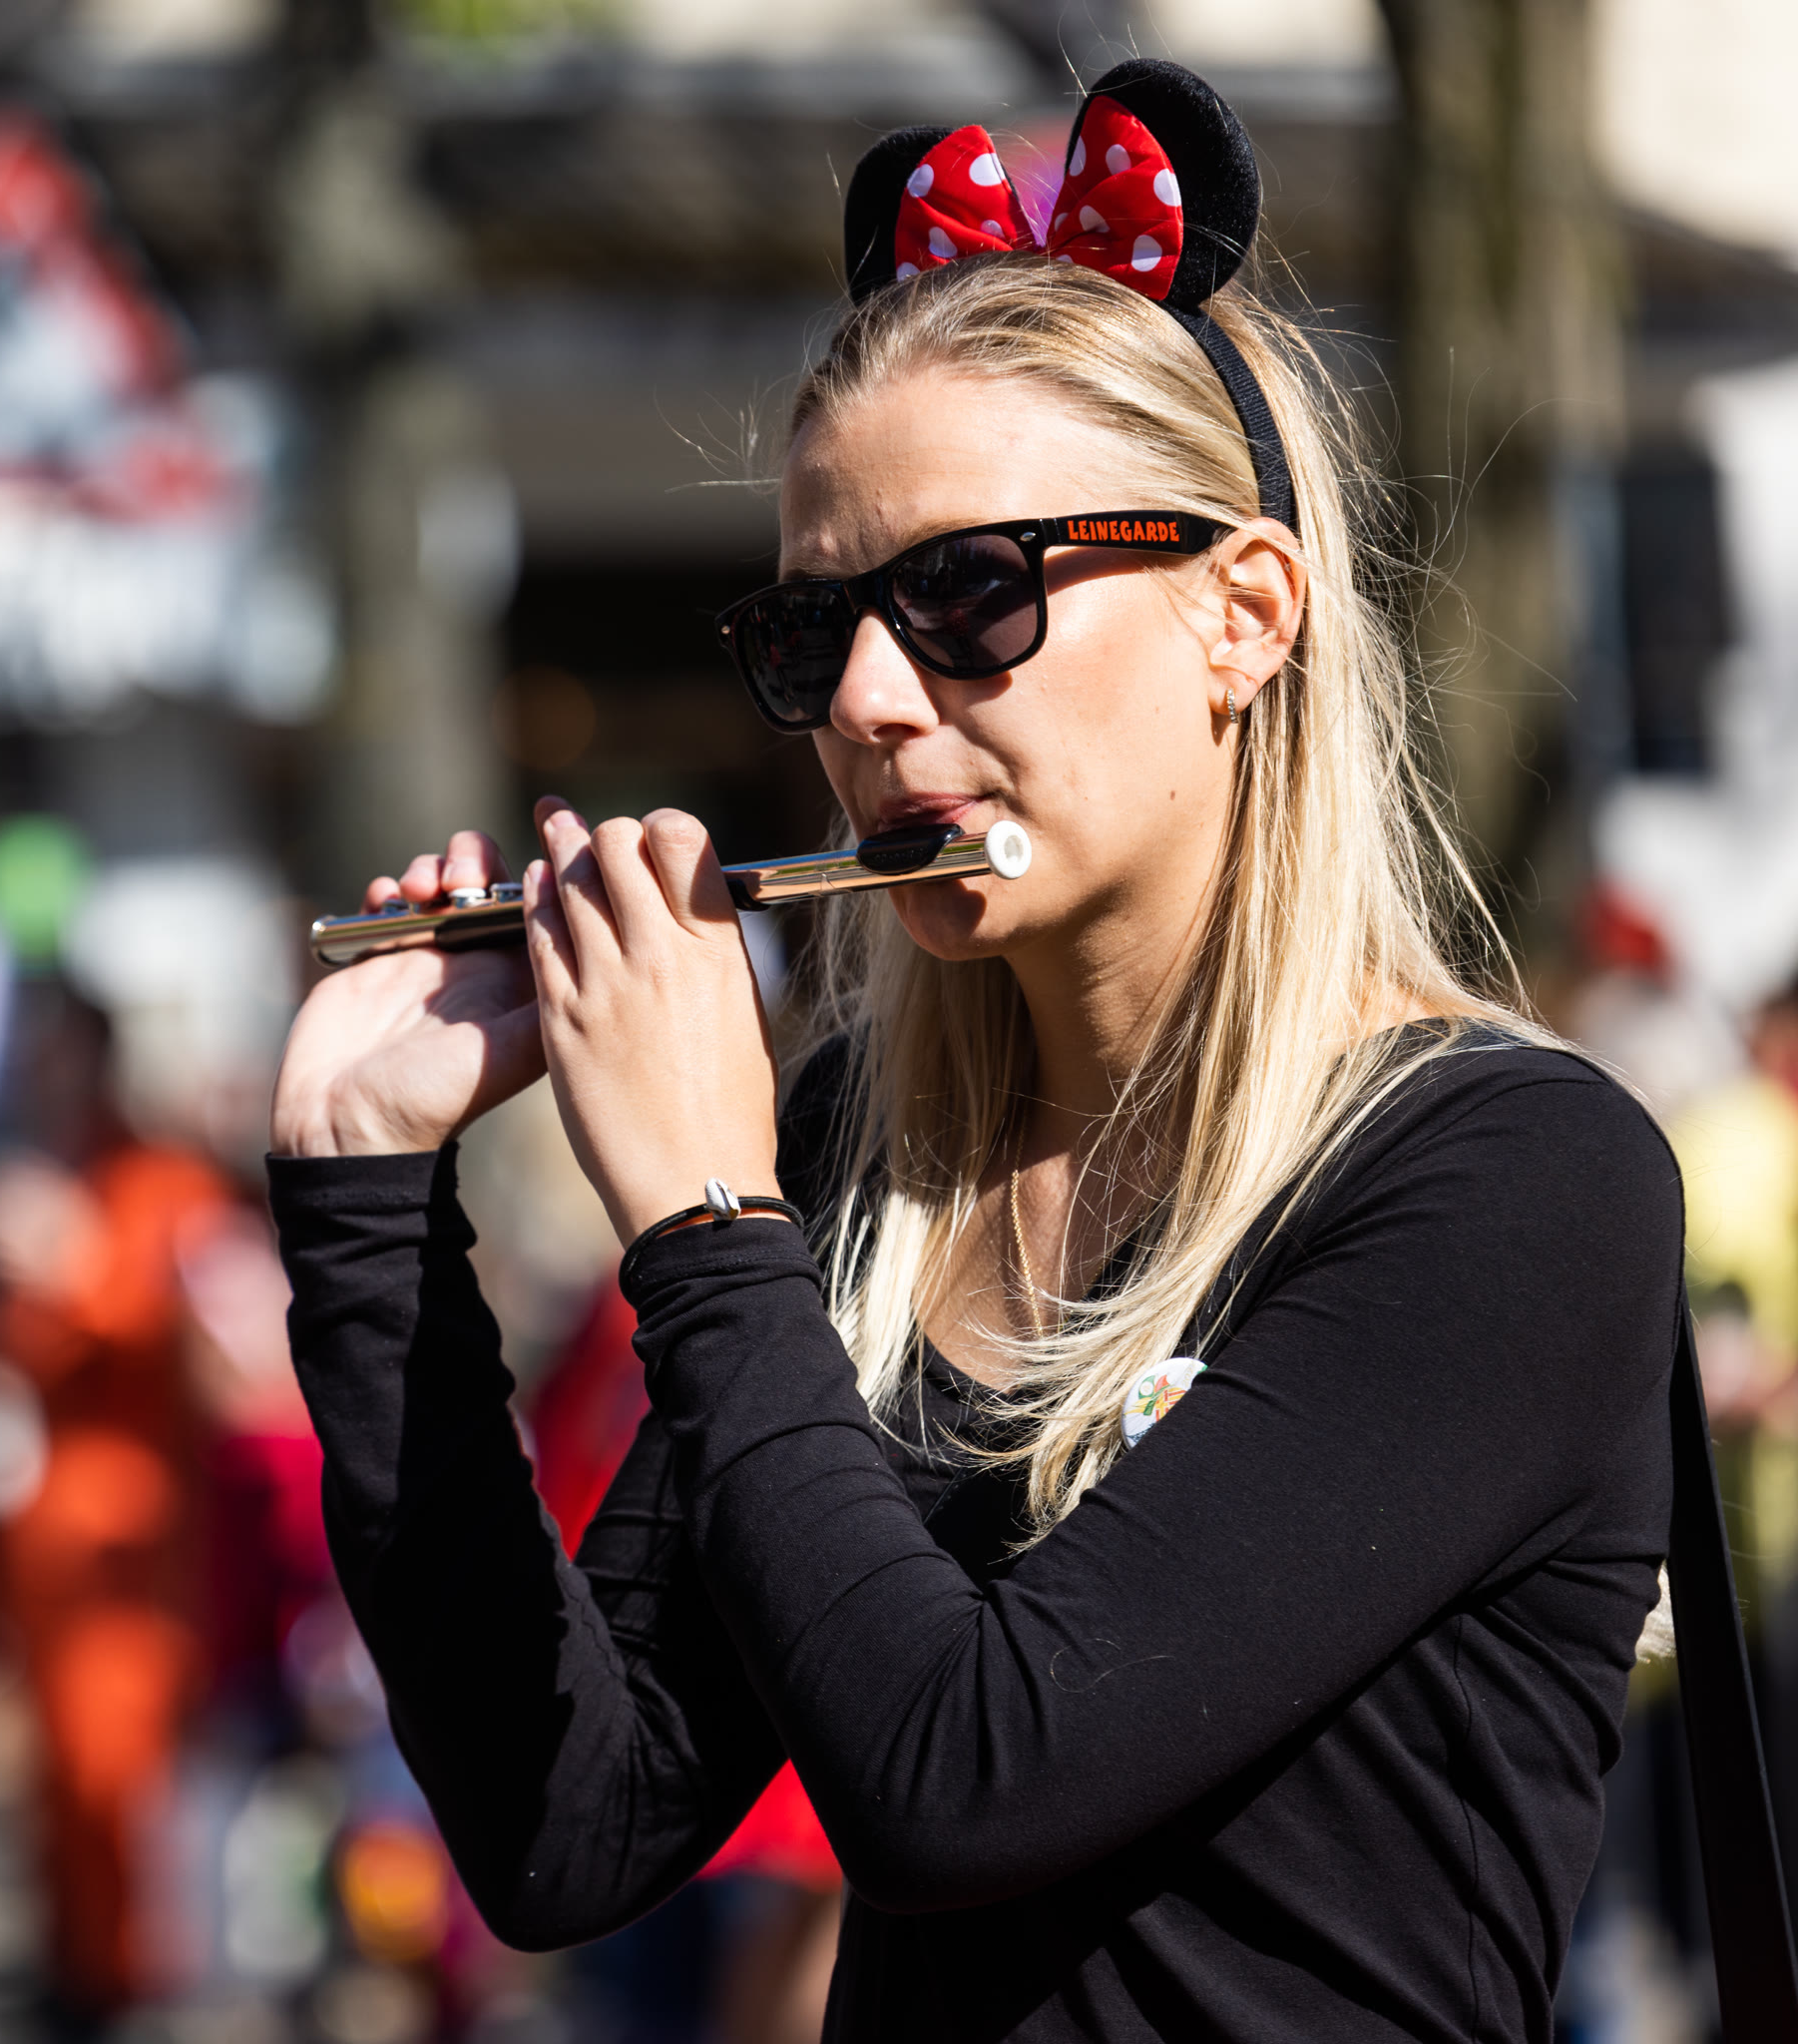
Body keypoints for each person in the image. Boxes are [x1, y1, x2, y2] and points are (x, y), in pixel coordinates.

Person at [267, 61, 1683, 2042]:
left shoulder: (1510, 1178)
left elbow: (960, 1779)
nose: (865, 698)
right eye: (814, 628)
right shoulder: (866, 1145)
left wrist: (703, 1214)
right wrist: (367, 1207)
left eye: (964, 593)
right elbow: (567, 1825)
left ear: (1243, 614)